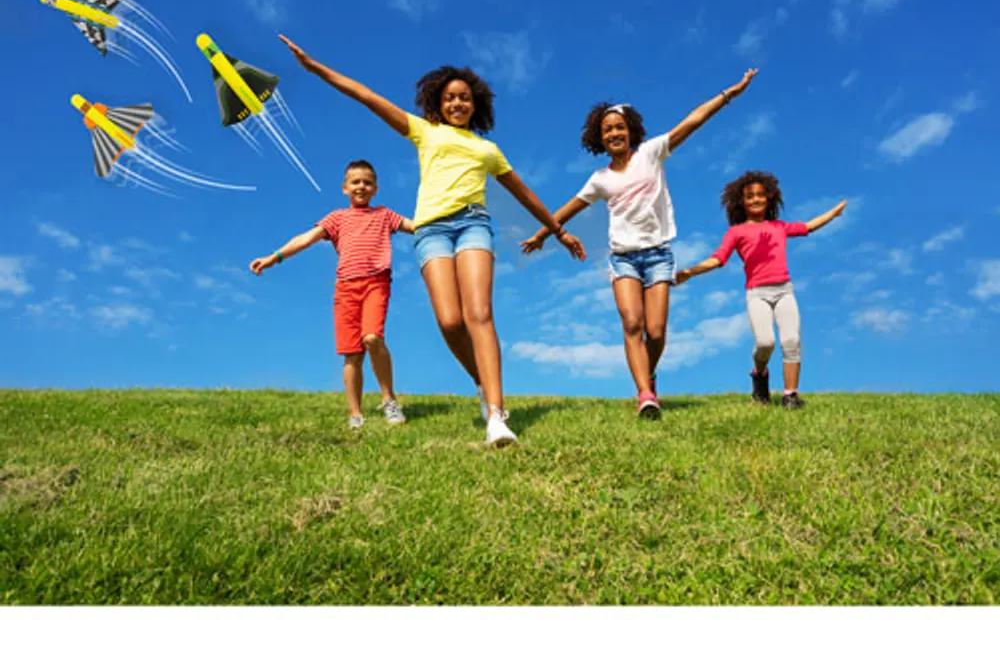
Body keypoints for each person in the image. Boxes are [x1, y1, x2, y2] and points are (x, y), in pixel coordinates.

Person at [279, 35, 586, 449]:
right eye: (449, 98)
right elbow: (368, 97)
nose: (457, 104)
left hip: (474, 224)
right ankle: (481, 381)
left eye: (464, 98)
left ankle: (497, 415)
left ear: (475, 104)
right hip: (431, 230)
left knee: (479, 313)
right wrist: (316, 68)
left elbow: (524, 193)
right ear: (438, 104)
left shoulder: (487, 149)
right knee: (450, 321)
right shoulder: (425, 132)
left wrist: (558, 230)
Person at [521, 69, 759, 419]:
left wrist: (729, 95)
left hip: (659, 255)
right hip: (623, 259)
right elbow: (570, 208)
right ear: (598, 139)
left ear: (630, 130)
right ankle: (645, 395)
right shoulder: (600, 179)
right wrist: (544, 235)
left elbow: (692, 122)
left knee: (656, 330)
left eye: (619, 127)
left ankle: (648, 372)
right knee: (632, 325)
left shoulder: (651, 153)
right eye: (607, 130)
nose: (614, 133)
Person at [249, 159, 413, 431]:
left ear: (375, 189)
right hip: (346, 289)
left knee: (372, 337)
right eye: (355, 182)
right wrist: (274, 257)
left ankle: (389, 400)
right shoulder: (337, 218)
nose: (361, 186)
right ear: (345, 188)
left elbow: (416, 225)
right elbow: (306, 238)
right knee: (352, 355)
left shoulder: (384, 215)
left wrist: (448, 223)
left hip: (376, 282)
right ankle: (355, 415)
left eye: (367, 182)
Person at [673, 170, 847, 409]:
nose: (755, 200)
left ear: (769, 198)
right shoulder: (737, 232)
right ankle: (759, 374)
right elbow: (718, 259)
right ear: (741, 202)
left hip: (784, 290)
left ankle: (790, 395)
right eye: (750, 196)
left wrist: (834, 214)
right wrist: (690, 272)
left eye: (760, 195)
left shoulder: (779, 226)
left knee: (791, 340)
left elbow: (808, 227)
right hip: (757, 293)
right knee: (765, 343)